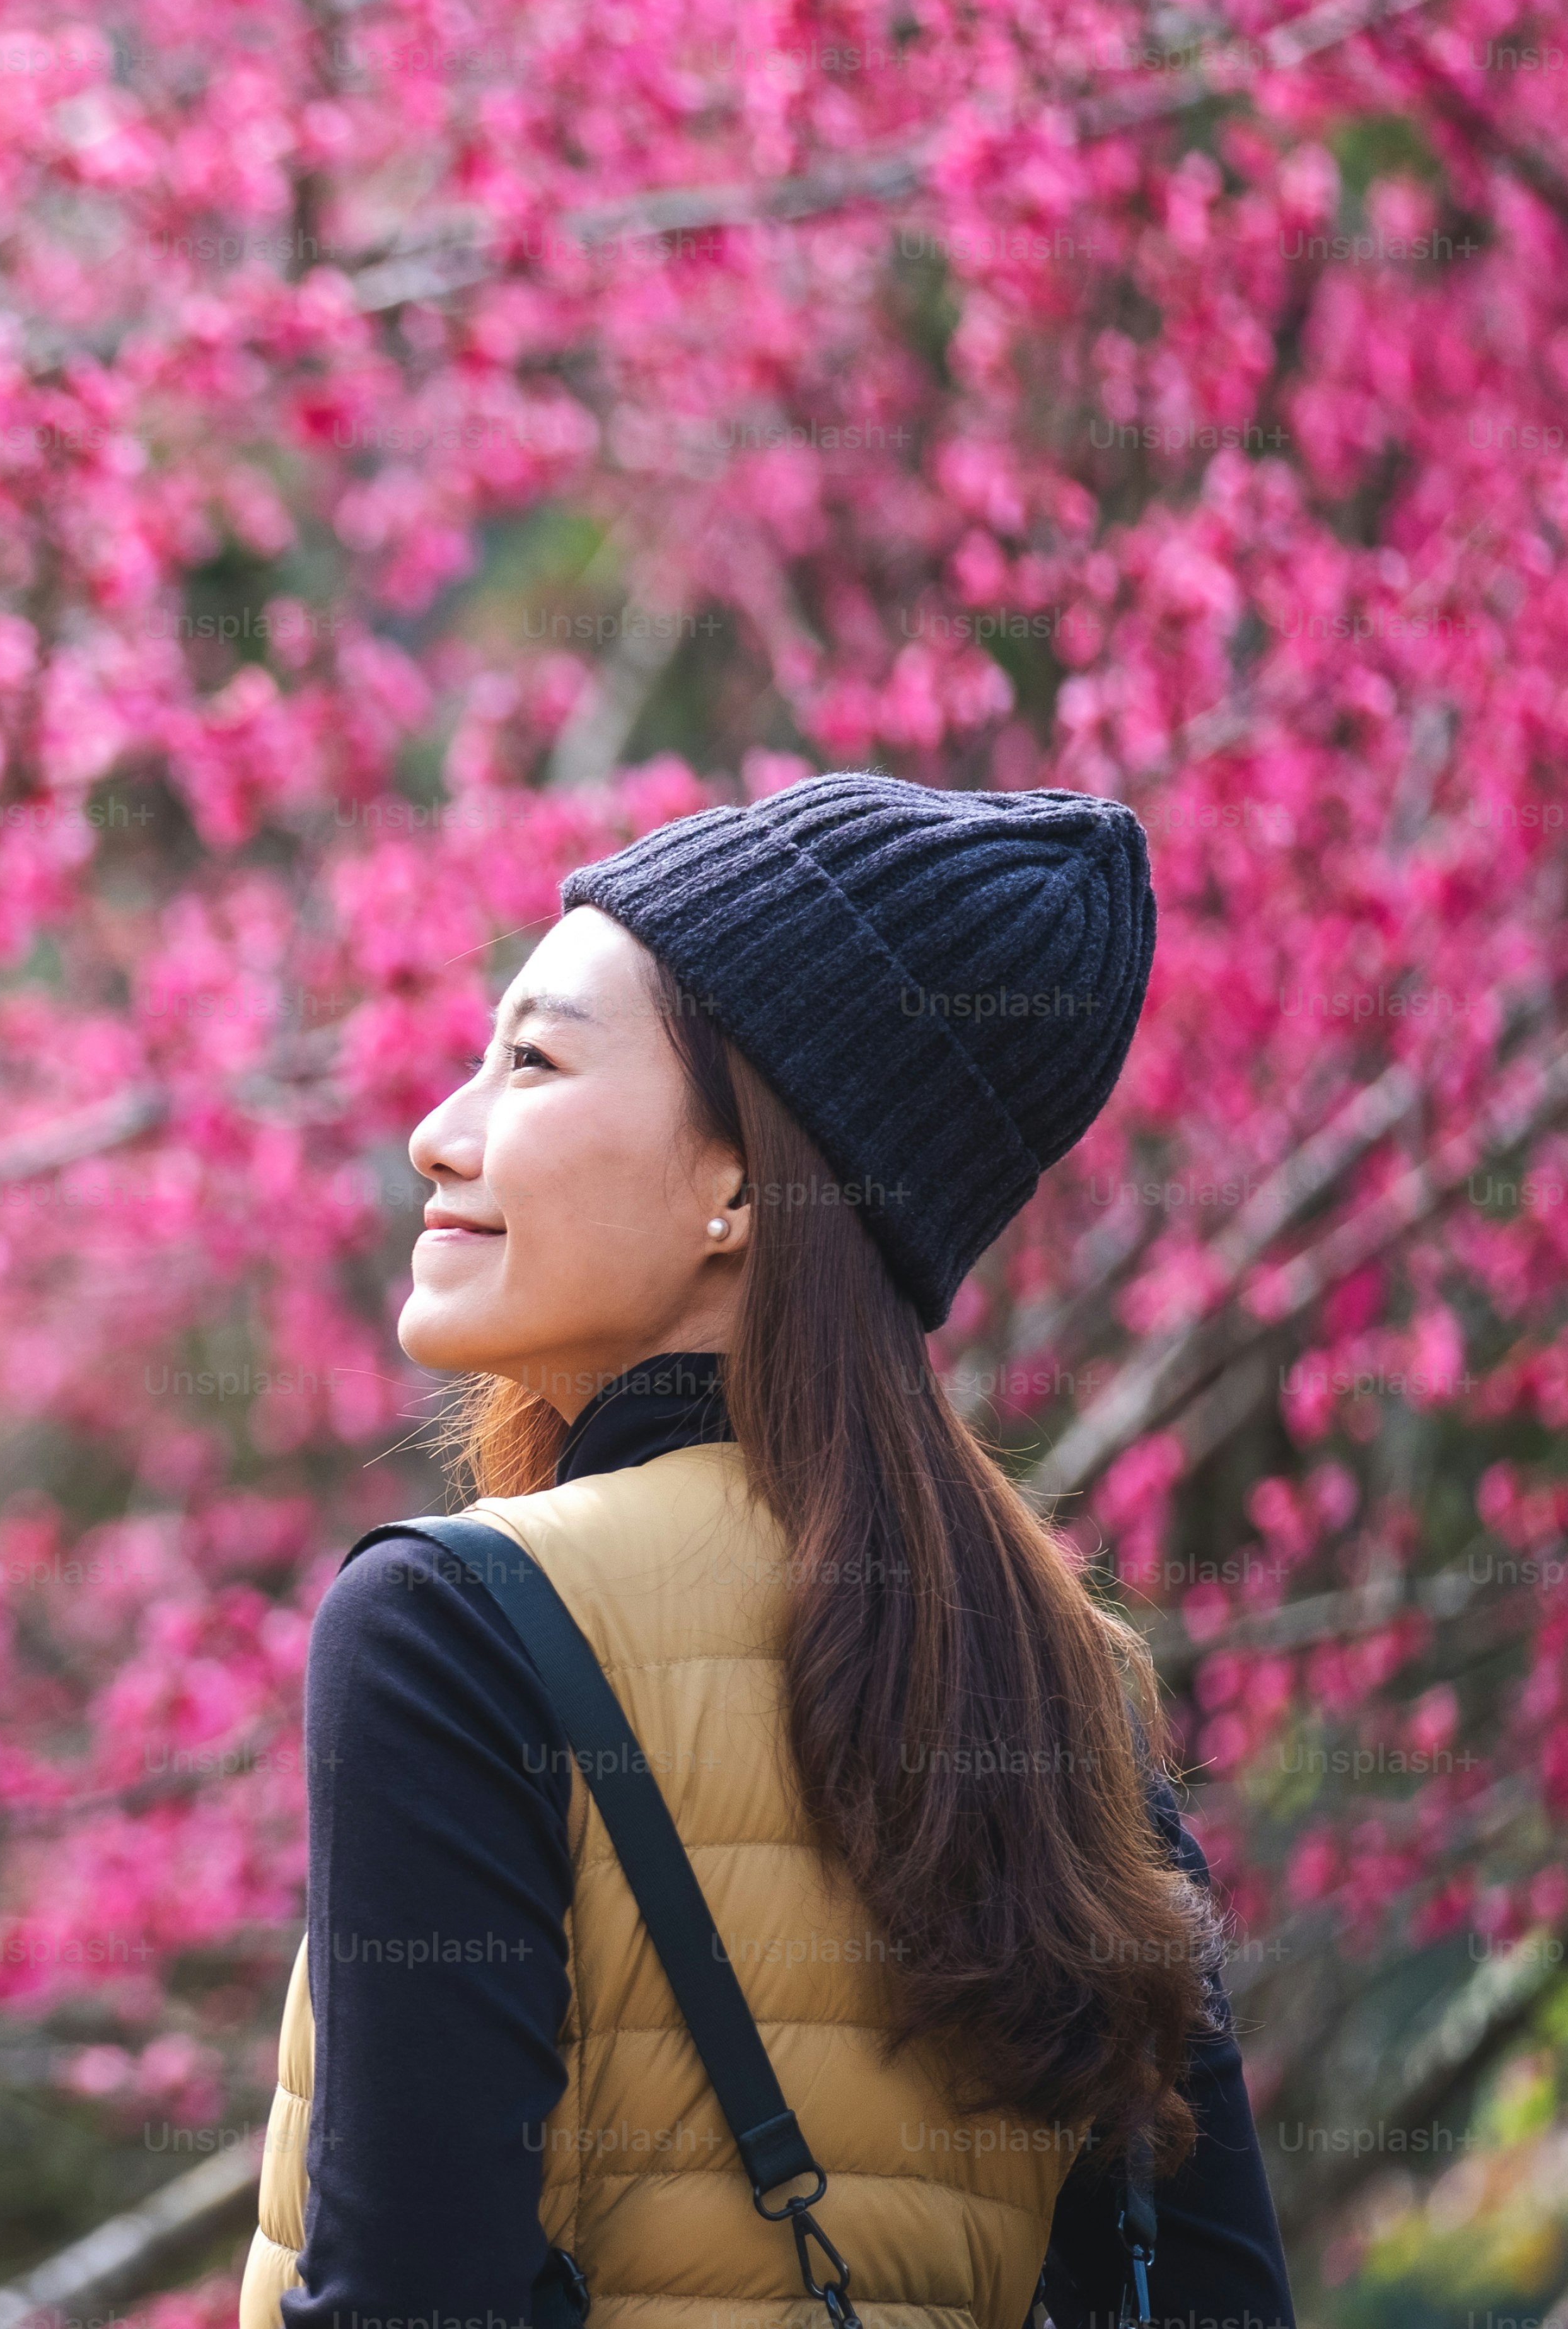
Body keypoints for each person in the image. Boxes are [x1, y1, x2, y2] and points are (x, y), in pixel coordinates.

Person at [236, 772, 1296, 2329]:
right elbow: (1213, 2296)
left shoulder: (449, 1627)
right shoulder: (1061, 1686)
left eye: (529, 1060)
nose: (437, 1133)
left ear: (742, 1183)